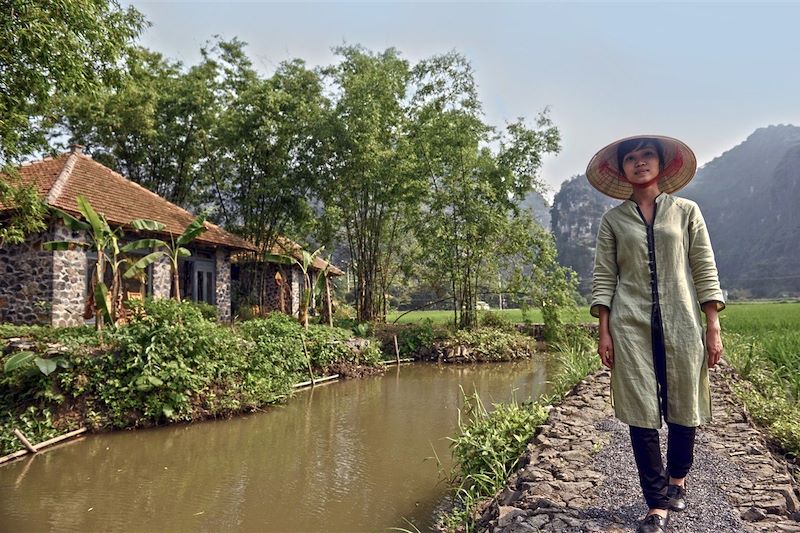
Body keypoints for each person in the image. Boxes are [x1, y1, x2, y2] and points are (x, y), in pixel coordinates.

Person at [586, 135, 725, 533]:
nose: (639, 162)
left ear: (662, 164)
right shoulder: (613, 220)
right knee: (640, 414)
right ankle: (656, 503)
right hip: (630, 327)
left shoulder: (686, 212)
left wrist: (712, 325)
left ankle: (677, 478)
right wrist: (604, 330)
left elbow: (704, 267)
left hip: (682, 322)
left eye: (647, 155)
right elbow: (603, 277)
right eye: (631, 158)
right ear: (622, 169)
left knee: (685, 403)